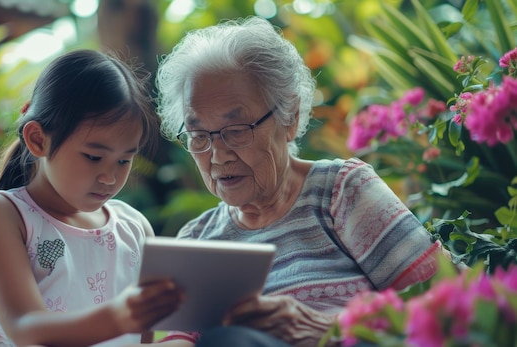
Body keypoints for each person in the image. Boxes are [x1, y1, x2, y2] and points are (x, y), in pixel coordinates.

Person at [151, 16, 447, 347]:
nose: (218, 156)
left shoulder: (342, 190)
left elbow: (448, 303)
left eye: (236, 131)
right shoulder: (197, 241)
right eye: (199, 135)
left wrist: (334, 330)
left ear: (288, 117)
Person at [0, 49, 183, 347]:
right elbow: (24, 328)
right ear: (38, 139)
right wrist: (117, 317)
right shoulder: (4, 215)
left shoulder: (134, 228)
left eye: (123, 161)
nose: (109, 177)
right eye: (94, 157)